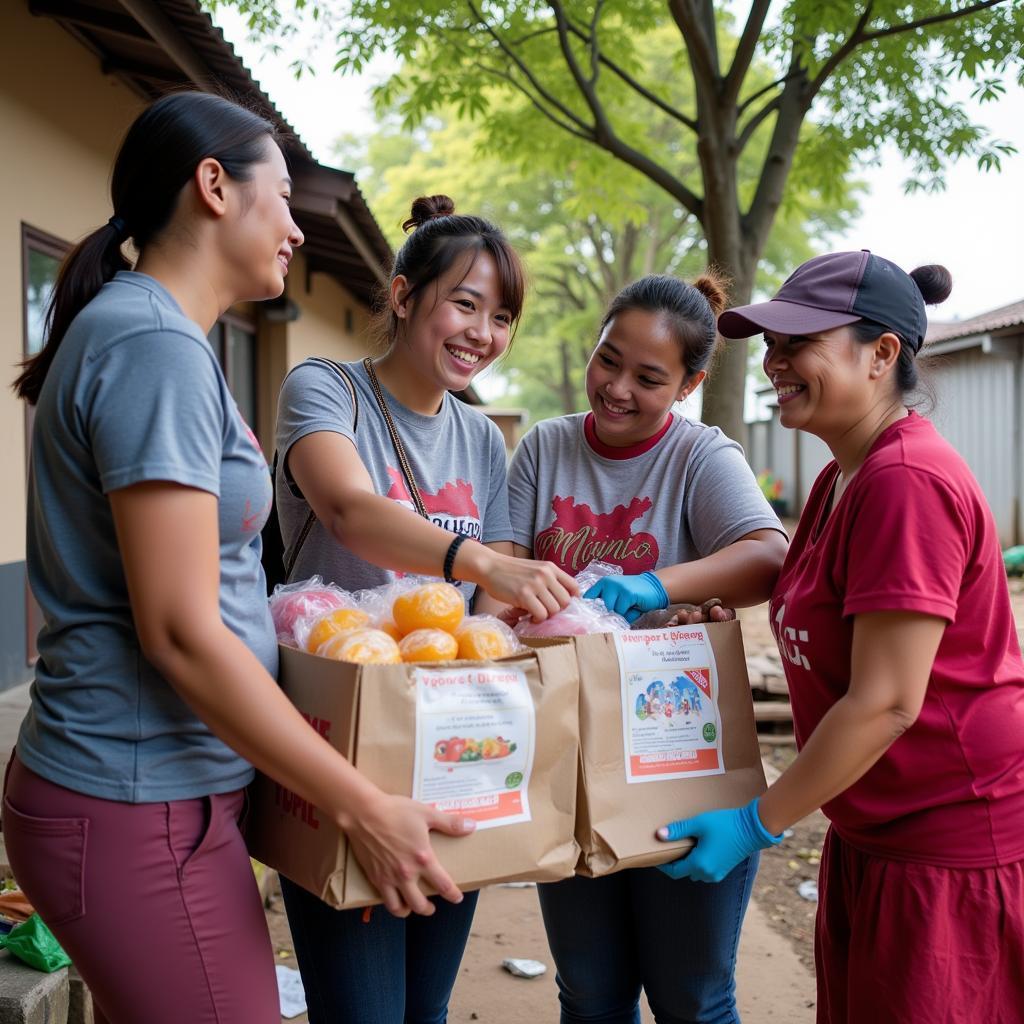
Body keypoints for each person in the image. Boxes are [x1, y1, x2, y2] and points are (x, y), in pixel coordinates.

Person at [4, 94, 480, 1024]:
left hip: (149, 793)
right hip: (137, 797)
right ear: (214, 186)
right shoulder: (152, 345)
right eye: (285, 198)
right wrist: (358, 801)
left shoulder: (155, 335)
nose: (298, 228)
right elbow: (180, 631)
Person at [659, 251, 1024, 1023]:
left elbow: (887, 701)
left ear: (882, 353)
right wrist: (684, 600)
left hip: (944, 838)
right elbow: (812, 598)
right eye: (771, 343)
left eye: (799, 342)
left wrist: (757, 823)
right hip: (871, 823)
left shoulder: (905, 482)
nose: (775, 361)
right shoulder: (841, 474)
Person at [273, 193, 577, 1024]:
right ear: (405, 296)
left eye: (502, 315)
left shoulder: (482, 439)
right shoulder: (326, 390)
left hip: (452, 752)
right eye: (466, 304)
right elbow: (346, 509)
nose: (484, 331)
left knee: (426, 1012)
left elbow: (479, 617)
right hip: (345, 754)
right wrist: (484, 560)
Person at [506, 273, 789, 1023]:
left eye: (649, 377)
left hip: (678, 761)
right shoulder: (545, 447)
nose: (617, 388)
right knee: (591, 994)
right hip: (567, 759)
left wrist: (655, 587)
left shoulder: (700, 456)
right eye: (608, 360)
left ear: (691, 384)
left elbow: (769, 554)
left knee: (692, 999)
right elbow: (496, 577)